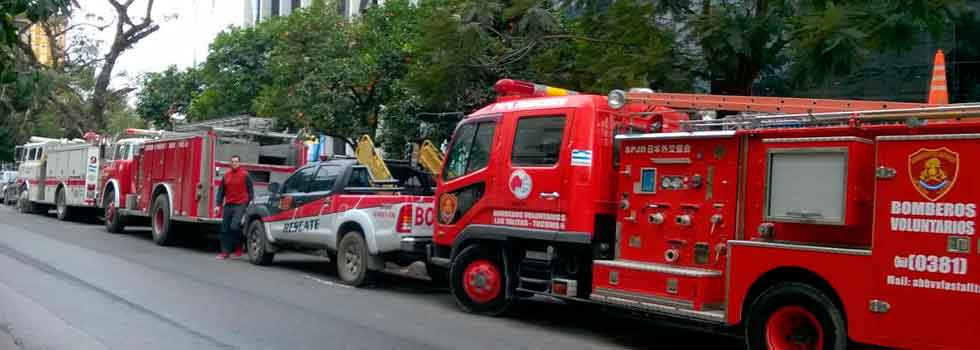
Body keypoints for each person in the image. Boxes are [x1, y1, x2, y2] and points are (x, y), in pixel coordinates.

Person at [214, 155, 254, 260]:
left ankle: (239, 244)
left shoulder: (245, 175)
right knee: (224, 229)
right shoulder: (226, 176)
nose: (234, 163)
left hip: (240, 204)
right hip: (228, 205)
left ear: (239, 163)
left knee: (234, 226)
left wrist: (250, 203)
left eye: (236, 161)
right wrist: (218, 205)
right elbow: (221, 191)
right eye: (232, 161)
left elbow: (251, 191)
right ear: (230, 163)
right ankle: (224, 253)